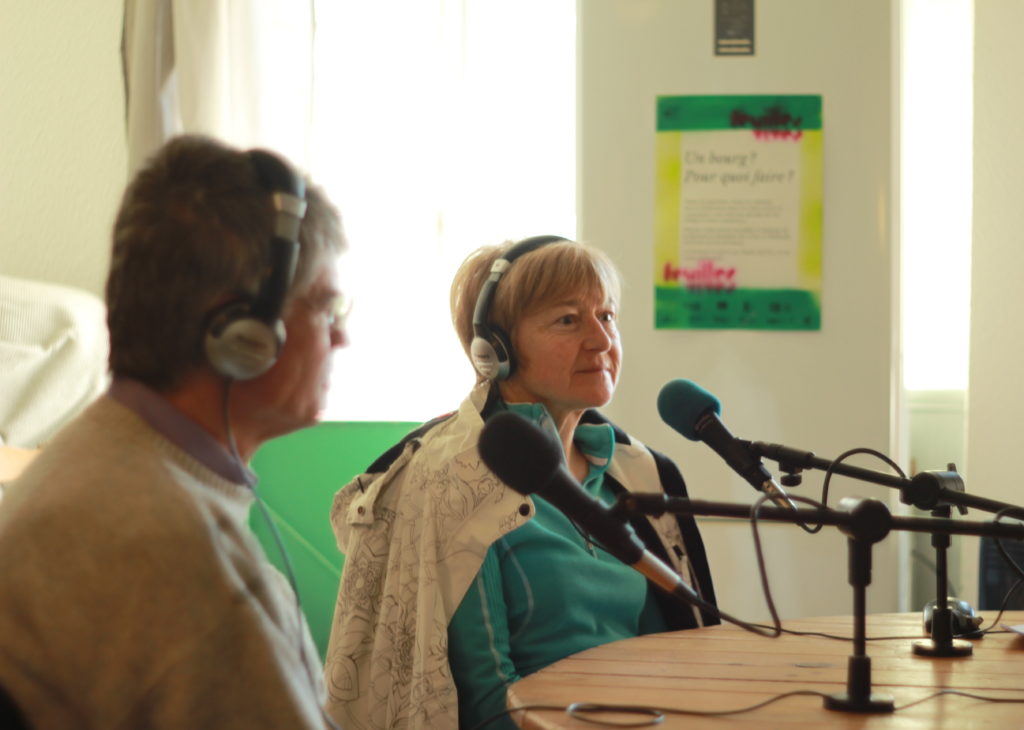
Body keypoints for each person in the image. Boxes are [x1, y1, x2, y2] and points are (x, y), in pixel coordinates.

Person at [0, 135, 348, 729]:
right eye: (326, 309)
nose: (340, 340)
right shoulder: (176, 551)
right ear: (242, 332)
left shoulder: (106, 458)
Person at [323, 235, 718, 730]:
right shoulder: (458, 483)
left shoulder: (635, 472)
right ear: (496, 351)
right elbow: (489, 700)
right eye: (568, 320)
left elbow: (673, 651)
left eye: (607, 316)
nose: (600, 340)